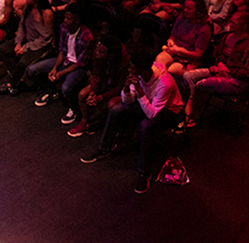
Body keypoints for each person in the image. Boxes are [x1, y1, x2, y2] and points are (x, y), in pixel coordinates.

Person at [79, 47, 185, 195]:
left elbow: (152, 114)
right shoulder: (140, 77)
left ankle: (144, 173)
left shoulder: (163, 83)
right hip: (148, 103)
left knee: (146, 125)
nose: (129, 70)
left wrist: (140, 94)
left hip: (169, 112)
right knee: (117, 109)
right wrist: (127, 90)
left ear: (142, 69)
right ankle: (104, 149)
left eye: (132, 68)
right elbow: (127, 101)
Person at [181, 9, 249, 126]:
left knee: (200, 84)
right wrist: (219, 64)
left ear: (243, 26)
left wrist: (227, 70)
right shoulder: (227, 37)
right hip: (220, 71)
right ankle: (188, 113)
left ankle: (187, 116)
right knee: (188, 75)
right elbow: (218, 55)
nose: (230, 24)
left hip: (238, 81)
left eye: (234, 23)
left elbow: (247, 74)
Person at [26, 5, 93, 124]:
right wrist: (54, 68)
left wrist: (60, 73)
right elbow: (62, 50)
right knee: (32, 70)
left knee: (66, 88)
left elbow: (80, 63)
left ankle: (74, 109)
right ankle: (50, 91)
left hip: (78, 67)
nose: (65, 20)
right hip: (65, 61)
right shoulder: (64, 27)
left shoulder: (86, 36)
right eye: (65, 17)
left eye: (69, 18)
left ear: (77, 20)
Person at [0, 0, 54, 96]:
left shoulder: (46, 14)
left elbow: (46, 38)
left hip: (40, 45)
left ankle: (12, 83)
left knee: (23, 62)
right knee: (3, 49)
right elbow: (22, 26)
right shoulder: (27, 7)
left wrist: (25, 48)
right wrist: (18, 42)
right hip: (27, 40)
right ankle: (17, 78)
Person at [155, 0, 212, 75]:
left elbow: (198, 55)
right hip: (174, 51)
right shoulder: (181, 18)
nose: (185, 10)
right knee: (159, 62)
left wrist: (180, 50)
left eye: (189, 9)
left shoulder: (204, 28)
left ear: (197, 11)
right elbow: (173, 35)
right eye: (185, 7)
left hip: (188, 59)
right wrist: (170, 41)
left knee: (171, 71)